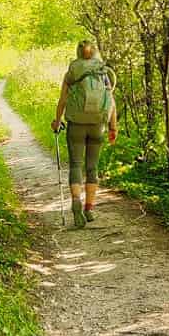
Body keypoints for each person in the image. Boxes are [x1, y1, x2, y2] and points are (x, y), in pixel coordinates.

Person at [51, 40, 117, 228]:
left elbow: (63, 99)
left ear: (78, 53)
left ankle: (76, 202)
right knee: (92, 168)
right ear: (94, 52)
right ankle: (89, 209)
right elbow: (111, 101)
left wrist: (57, 121)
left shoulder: (72, 71)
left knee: (76, 165)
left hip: (76, 125)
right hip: (97, 125)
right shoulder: (102, 71)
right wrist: (113, 127)